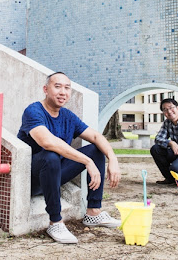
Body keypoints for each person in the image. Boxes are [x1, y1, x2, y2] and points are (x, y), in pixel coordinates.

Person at [17, 72, 122, 244]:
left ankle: (93, 212)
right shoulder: (33, 111)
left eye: (67, 88)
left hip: (55, 174)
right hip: (33, 178)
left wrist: (113, 159)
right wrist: (87, 161)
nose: (63, 92)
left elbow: (96, 136)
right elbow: (47, 142)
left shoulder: (67, 116)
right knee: (50, 156)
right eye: (57, 86)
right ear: (46, 89)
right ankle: (55, 222)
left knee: (96, 150)